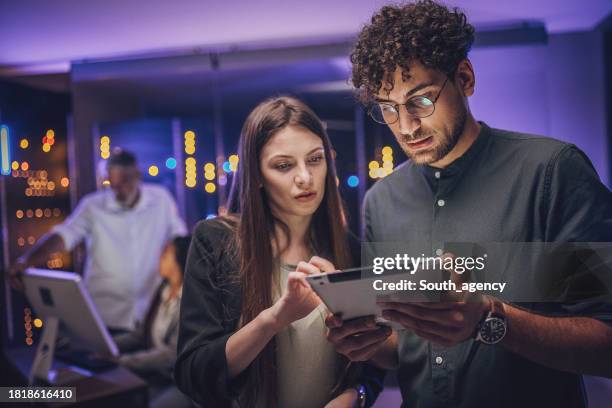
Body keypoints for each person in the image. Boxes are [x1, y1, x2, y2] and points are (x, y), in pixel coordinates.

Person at [322, 1, 612, 408]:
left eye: (420, 100)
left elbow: (607, 338)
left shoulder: (552, 172)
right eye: (388, 109)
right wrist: (364, 342)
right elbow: (402, 346)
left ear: (465, 77)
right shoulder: (381, 203)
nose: (405, 127)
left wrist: (491, 319)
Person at [174, 96, 386, 408]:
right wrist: (274, 318)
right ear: (256, 175)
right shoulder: (216, 242)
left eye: (315, 159)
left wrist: (355, 397)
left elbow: (373, 361)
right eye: (284, 166)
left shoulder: (350, 248)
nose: (305, 177)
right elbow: (194, 375)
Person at [10, 149, 188, 331]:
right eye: (114, 184)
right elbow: (64, 236)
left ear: (137, 175)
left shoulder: (161, 199)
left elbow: (179, 239)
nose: (119, 191)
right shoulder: (92, 206)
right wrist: (28, 260)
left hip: (151, 316)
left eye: (125, 182)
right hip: (105, 317)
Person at [114, 235, 194, 408]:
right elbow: (140, 334)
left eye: (165, 254)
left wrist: (122, 361)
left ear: (180, 260)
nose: (159, 258)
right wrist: (108, 344)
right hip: (155, 375)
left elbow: (172, 354)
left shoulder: (191, 299)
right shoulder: (162, 290)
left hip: (179, 381)